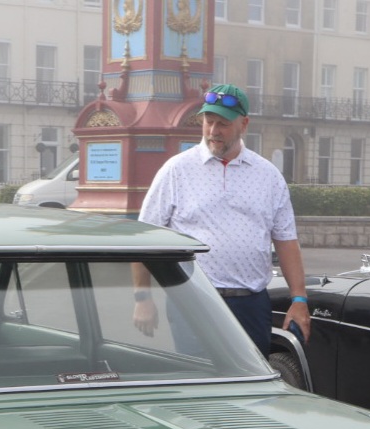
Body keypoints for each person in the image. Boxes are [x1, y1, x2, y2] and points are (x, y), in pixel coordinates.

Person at [133, 84, 311, 357]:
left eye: (223, 124)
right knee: (199, 384)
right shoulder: (177, 170)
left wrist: (299, 298)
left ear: (244, 124)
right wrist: (142, 298)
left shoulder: (268, 176)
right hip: (193, 300)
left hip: (250, 304)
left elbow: (286, 240)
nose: (213, 130)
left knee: (250, 385)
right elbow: (145, 236)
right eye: (208, 121)